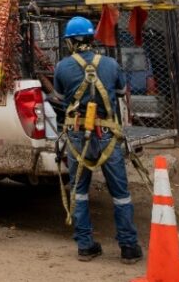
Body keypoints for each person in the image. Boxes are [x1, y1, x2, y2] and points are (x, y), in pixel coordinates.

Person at [53, 15, 142, 262]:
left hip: (77, 137)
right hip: (107, 138)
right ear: (92, 38)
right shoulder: (111, 65)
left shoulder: (62, 67)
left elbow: (59, 99)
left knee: (79, 192)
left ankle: (85, 246)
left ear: (70, 41)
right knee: (120, 193)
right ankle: (128, 247)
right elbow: (122, 92)